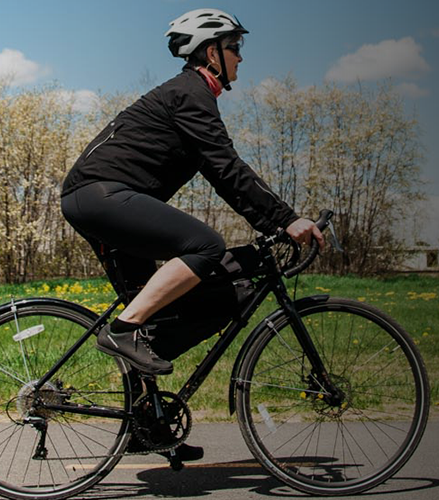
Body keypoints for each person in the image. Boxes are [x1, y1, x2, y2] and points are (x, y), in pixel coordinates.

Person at [59, 8, 323, 462]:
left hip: (100, 199)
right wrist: (285, 219)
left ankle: (148, 425)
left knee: (155, 319)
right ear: (210, 52)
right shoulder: (189, 94)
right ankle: (121, 331)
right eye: (235, 48)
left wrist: (272, 220)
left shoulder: (191, 96)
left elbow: (222, 175)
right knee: (205, 246)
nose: (241, 58)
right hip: (100, 196)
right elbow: (227, 168)